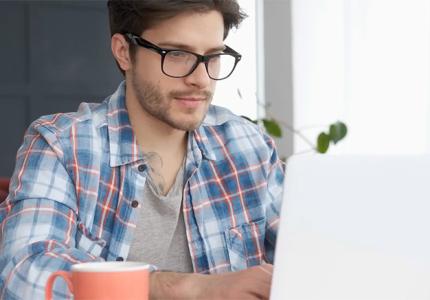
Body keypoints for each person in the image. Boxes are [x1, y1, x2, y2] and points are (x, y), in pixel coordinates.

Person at [0, 0, 284, 299]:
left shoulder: (248, 145)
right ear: (124, 52)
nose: (200, 79)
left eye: (213, 57)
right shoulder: (60, 145)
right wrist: (185, 288)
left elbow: (310, 254)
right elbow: (24, 274)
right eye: (176, 54)